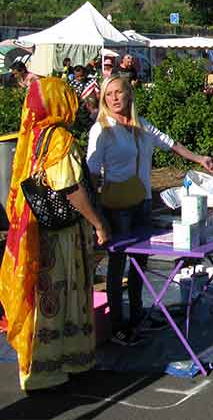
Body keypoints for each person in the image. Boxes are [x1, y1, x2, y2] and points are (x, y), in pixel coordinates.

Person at [87, 75, 213, 346]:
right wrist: (96, 215)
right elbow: (91, 173)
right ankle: (117, 325)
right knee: (118, 265)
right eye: (108, 94)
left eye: (119, 92)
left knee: (141, 262)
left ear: (129, 95)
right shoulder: (101, 129)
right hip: (117, 208)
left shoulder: (140, 126)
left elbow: (170, 143)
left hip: (143, 203)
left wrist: (199, 159)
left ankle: (137, 316)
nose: (114, 98)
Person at [0, 78, 111, 392]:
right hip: (61, 234)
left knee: (46, 295)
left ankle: (52, 362)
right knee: (61, 293)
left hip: (40, 230)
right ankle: (52, 367)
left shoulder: (34, 135)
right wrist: (97, 223)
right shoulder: (59, 138)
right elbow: (70, 188)